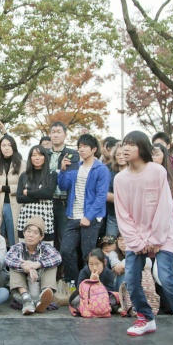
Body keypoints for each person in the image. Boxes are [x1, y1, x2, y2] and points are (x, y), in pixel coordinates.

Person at [114, 130, 173, 345]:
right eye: (124, 144)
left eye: (131, 145)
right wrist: (139, 241)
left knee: (167, 279)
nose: (125, 148)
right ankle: (145, 318)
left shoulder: (157, 172)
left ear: (142, 148)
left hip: (162, 235)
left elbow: (164, 207)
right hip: (136, 239)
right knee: (132, 280)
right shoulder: (120, 178)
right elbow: (122, 214)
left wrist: (154, 238)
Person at [58, 133, 110, 285]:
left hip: (91, 217)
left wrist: (88, 216)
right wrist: (62, 170)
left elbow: (101, 197)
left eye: (84, 147)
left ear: (94, 149)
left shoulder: (101, 169)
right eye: (79, 147)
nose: (81, 150)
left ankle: (90, 285)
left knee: (88, 255)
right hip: (73, 215)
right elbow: (62, 186)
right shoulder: (75, 167)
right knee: (66, 251)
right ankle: (74, 282)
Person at [4, 216, 61, 315]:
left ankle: (42, 298)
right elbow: (8, 259)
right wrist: (25, 267)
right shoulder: (17, 247)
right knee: (15, 266)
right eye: (28, 231)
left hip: (39, 287)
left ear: (41, 237)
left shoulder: (46, 248)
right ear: (24, 233)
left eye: (35, 233)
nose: (31, 235)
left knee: (52, 265)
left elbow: (57, 258)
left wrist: (37, 265)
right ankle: (27, 300)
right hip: (22, 292)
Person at [0, 134, 25, 248]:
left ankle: (14, 264)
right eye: (3, 145)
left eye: (9, 145)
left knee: (15, 239)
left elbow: (23, 186)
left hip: (15, 205)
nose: (6, 148)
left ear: (14, 147)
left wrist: (5, 188)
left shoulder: (22, 164)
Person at [48, 122, 78, 252]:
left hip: (64, 201)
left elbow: (71, 178)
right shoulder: (44, 154)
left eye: (59, 132)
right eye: (53, 132)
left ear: (65, 135)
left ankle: (67, 270)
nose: (55, 135)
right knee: (49, 238)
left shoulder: (72, 154)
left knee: (65, 238)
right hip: (48, 201)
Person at [69, 248, 121, 315]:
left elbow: (111, 290)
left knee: (115, 297)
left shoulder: (108, 273)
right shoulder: (84, 272)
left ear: (104, 262)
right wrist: (90, 282)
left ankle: (91, 309)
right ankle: (99, 309)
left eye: (97, 264)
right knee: (75, 300)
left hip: (102, 299)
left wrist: (98, 284)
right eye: (91, 264)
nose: (94, 267)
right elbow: (80, 290)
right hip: (87, 299)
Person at [152, 143, 173, 222]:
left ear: (165, 155)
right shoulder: (145, 169)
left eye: (156, 154)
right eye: (151, 155)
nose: (153, 158)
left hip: (168, 211)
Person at [105, 142, 127, 238]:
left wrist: (115, 198)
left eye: (124, 154)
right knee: (110, 241)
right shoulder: (110, 172)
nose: (121, 157)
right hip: (113, 214)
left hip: (130, 216)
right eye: (118, 155)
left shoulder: (134, 172)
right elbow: (105, 194)